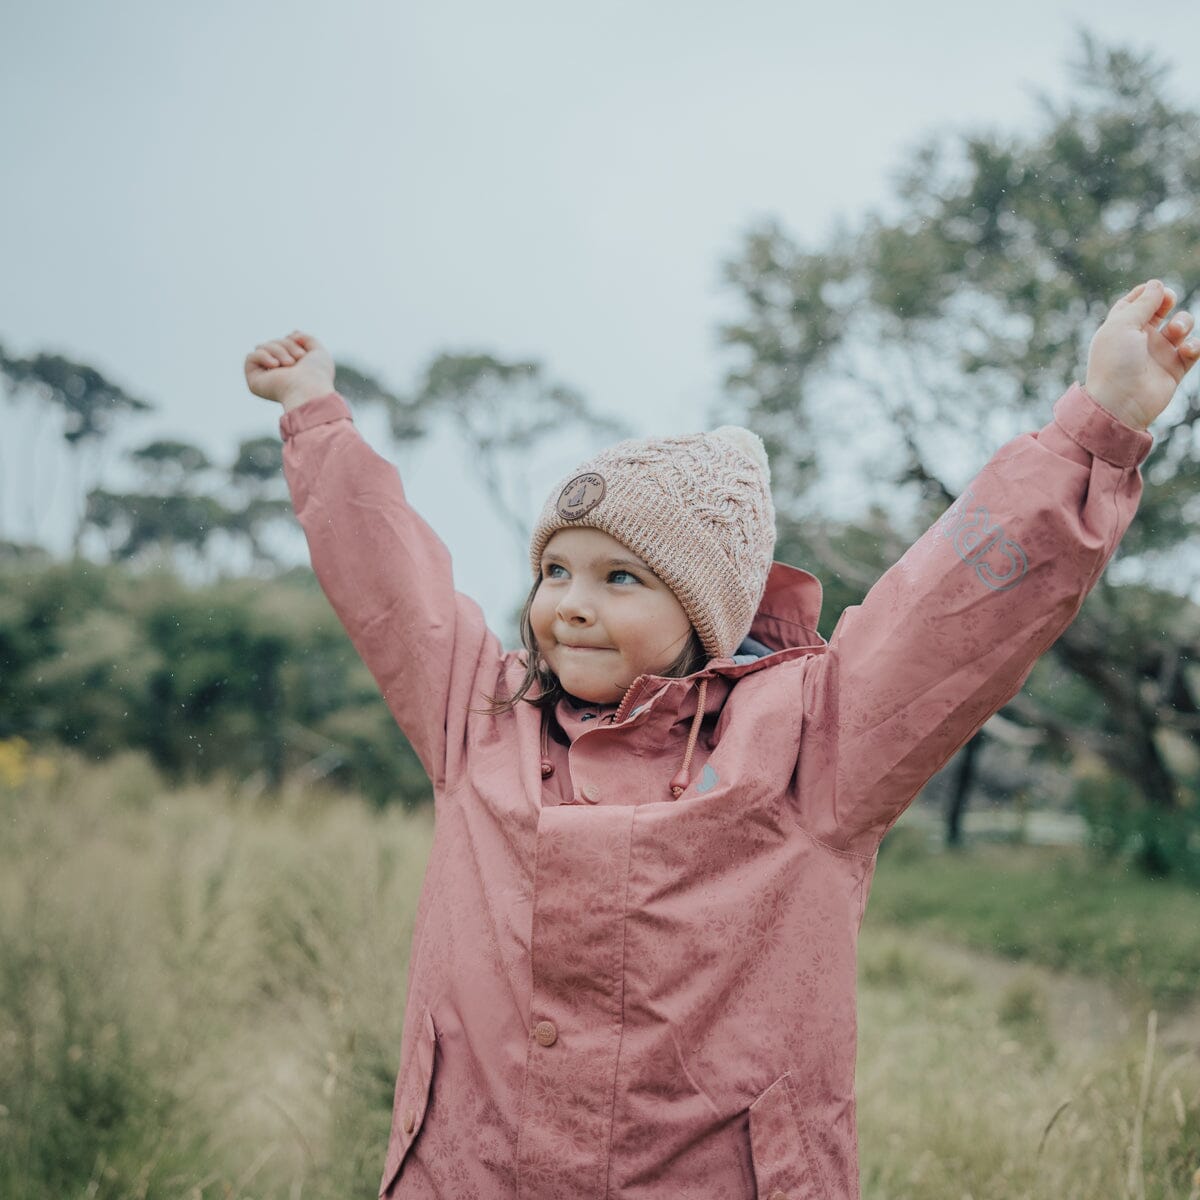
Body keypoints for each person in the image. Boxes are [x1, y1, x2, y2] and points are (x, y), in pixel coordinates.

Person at [245, 280, 1197, 1199]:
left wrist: (1094, 430)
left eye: (622, 579)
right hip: (472, 1174)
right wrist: (318, 420)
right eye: (557, 571)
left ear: (706, 611)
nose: (571, 607)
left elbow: (952, 613)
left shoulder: (811, 742)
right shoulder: (481, 720)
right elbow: (391, 586)